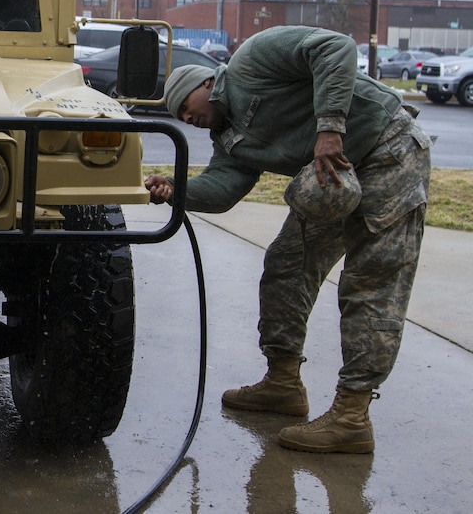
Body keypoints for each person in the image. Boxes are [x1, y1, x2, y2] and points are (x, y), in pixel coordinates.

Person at [145, 25, 431, 454]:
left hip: (388, 149)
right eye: (181, 119)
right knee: (287, 266)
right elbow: (223, 190)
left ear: (207, 83)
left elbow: (335, 47)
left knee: (370, 284)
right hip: (333, 178)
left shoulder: (253, 61)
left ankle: (352, 416)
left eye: (185, 107)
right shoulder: (230, 140)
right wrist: (174, 188)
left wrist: (329, 128)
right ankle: (283, 383)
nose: (186, 120)